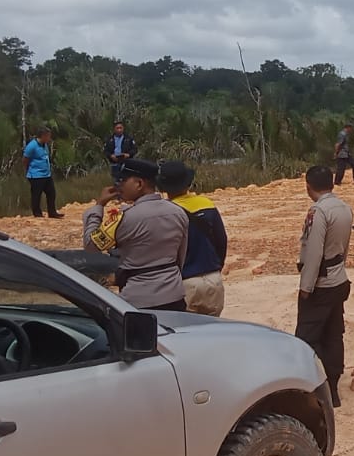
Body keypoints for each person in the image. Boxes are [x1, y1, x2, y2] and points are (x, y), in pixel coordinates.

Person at [82, 158, 189, 311]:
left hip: (138, 298)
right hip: (174, 294)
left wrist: (99, 206)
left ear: (139, 184)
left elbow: (91, 245)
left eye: (123, 180)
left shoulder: (124, 218)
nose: (119, 185)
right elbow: (180, 257)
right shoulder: (178, 212)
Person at [294, 165, 352, 407]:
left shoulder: (318, 212)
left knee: (306, 338)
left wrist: (306, 287)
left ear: (308, 186)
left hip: (321, 283)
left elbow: (314, 251)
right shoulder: (344, 208)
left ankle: (312, 390)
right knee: (333, 335)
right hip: (339, 279)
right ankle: (333, 386)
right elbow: (344, 248)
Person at [159, 160, 229, 316]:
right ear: (188, 183)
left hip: (185, 282)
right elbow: (221, 241)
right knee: (212, 331)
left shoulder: (166, 212)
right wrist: (216, 266)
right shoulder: (207, 204)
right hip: (213, 278)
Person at [23, 127, 63, 218]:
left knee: (51, 193)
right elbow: (25, 159)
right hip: (36, 175)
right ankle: (37, 213)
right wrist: (28, 170)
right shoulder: (32, 146)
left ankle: (52, 212)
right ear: (43, 136)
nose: (49, 138)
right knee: (36, 195)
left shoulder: (44, 145)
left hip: (47, 174)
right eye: (48, 136)